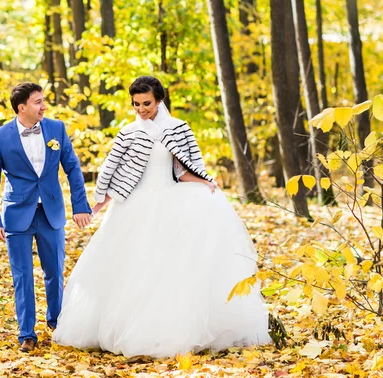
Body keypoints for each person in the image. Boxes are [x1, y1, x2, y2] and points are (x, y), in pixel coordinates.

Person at [53, 76, 271, 358]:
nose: (141, 109)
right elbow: (113, 172)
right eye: (136, 104)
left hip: (169, 202)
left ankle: (169, 329)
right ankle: (122, 326)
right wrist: (98, 204)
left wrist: (205, 182)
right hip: (134, 206)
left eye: (147, 103)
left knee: (172, 267)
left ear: (159, 100)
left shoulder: (179, 129)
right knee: (130, 265)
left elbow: (184, 169)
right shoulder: (128, 132)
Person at [0, 82, 92, 353]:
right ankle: (26, 333)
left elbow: (73, 168)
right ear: (22, 108)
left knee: (54, 271)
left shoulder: (56, 129)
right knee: (22, 275)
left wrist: (80, 205)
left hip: (51, 212)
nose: (44, 106)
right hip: (17, 213)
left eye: (43, 101)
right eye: (38, 102)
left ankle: (58, 323)